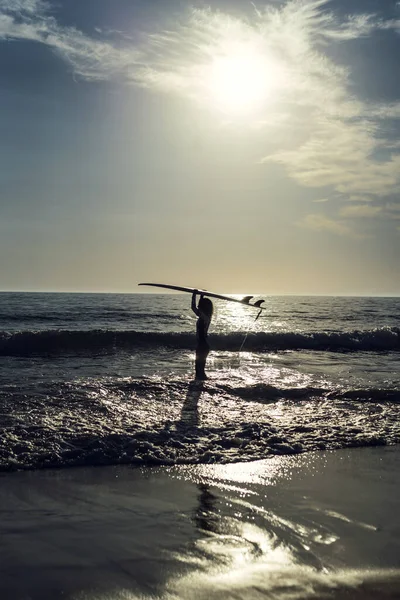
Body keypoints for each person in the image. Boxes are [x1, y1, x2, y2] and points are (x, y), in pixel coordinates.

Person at [191, 290, 213, 380]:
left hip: (202, 345)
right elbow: (197, 308)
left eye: (201, 305)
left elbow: (194, 307)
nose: (199, 307)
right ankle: (200, 384)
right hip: (203, 345)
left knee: (199, 369)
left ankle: (200, 386)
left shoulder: (204, 317)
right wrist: (201, 296)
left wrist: (194, 295)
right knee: (199, 369)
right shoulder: (206, 317)